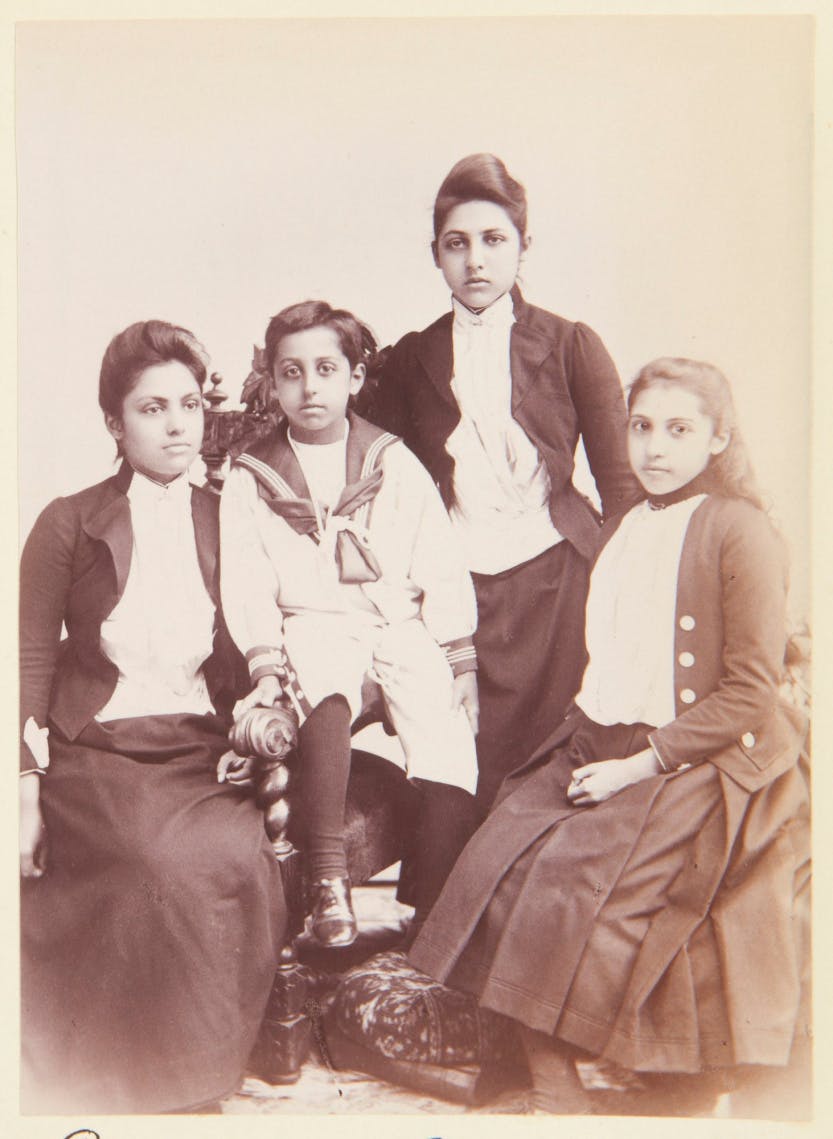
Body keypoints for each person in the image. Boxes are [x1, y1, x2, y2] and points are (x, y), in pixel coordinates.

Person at [407, 358, 810, 1113]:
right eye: (642, 427)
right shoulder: (625, 524)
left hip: (702, 753)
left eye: (679, 430)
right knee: (497, 849)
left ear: (718, 438)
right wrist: (591, 751)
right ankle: (539, 1068)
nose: (654, 447)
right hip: (607, 735)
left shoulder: (741, 531)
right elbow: (615, 659)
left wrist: (636, 768)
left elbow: (749, 693)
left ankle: (566, 1085)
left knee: (572, 880)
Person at [19, 320, 287, 1114]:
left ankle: (197, 1072)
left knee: (224, 864)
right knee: (144, 863)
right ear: (114, 423)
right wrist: (25, 789)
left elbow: (258, 640)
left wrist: (257, 717)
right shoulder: (68, 521)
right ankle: (114, 1076)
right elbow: (30, 659)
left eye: (188, 405)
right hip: (94, 747)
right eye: (149, 408)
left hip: (198, 749)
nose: (176, 425)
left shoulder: (232, 514)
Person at [360, 153, 641, 811]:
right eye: (456, 244)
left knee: (556, 768)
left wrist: (620, 592)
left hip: (558, 590)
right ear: (435, 254)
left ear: (523, 246)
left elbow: (620, 487)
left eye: (493, 240)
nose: (475, 261)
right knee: (464, 762)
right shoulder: (411, 358)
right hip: (461, 596)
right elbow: (374, 479)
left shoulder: (572, 344)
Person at [219, 300, 481, 948]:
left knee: (446, 729)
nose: (310, 387)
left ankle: (437, 916)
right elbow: (247, 577)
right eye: (291, 372)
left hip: (394, 618)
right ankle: (328, 882)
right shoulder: (252, 476)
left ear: (355, 378)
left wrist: (458, 655)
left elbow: (437, 557)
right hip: (311, 619)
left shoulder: (389, 460)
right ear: (271, 383)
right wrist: (263, 662)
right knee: (326, 684)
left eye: (326, 369)